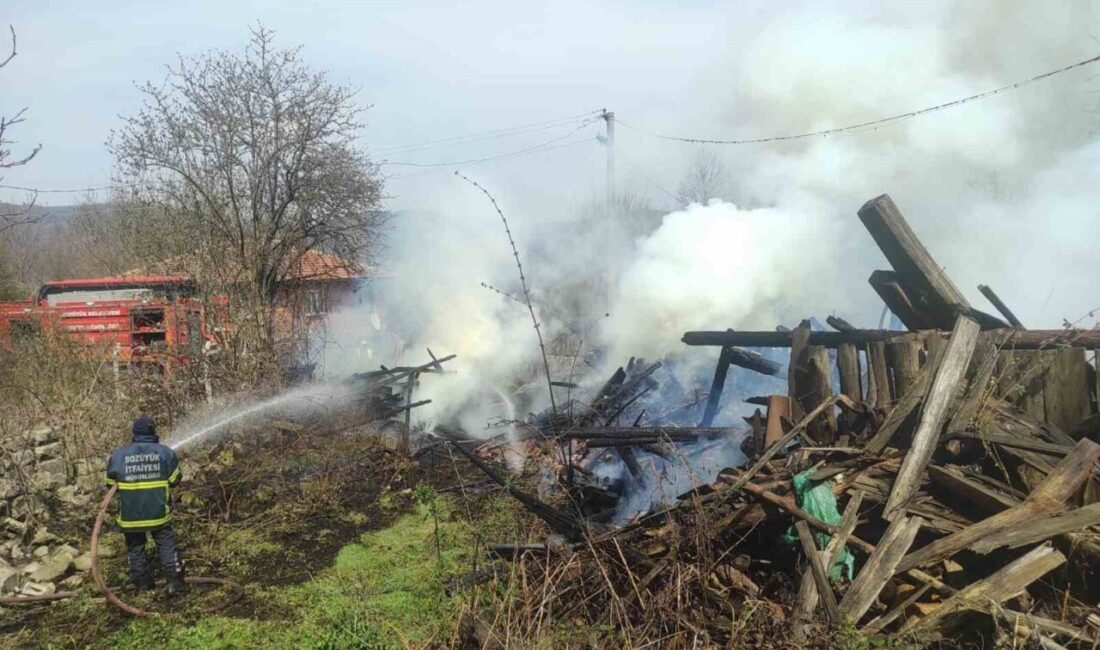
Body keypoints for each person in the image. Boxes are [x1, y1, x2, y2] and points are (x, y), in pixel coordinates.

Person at [105, 415, 185, 596]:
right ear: (153, 432)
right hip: (159, 514)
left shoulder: (118, 455)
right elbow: (175, 480)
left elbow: (110, 483)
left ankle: (143, 587)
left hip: (130, 516)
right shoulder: (165, 453)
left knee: (136, 550)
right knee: (165, 546)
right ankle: (173, 585)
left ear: (134, 433)